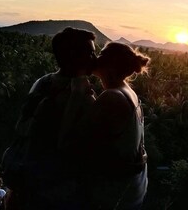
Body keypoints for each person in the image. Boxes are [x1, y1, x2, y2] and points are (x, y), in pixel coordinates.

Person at [8, 27, 97, 210]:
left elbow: (22, 127)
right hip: (57, 189)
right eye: (90, 53)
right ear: (73, 56)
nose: (95, 59)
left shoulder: (43, 82)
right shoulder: (79, 95)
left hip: (28, 180)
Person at [88, 42, 150, 210]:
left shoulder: (112, 96)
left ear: (109, 64)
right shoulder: (129, 92)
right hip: (133, 188)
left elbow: (82, 140)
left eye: (100, 55)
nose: (95, 58)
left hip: (116, 192)